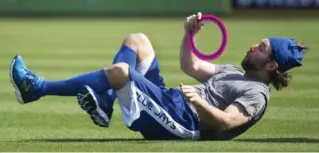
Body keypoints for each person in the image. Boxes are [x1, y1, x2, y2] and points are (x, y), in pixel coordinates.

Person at [9, 12, 308, 140]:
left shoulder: (258, 94)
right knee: (138, 40)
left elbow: (228, 121)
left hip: (182, 121)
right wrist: (188, 34)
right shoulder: (235, 71)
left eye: (262, 48)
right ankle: (106, 101)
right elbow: (191, 67)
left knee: (120, 72)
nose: (254, 45)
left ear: (271, 65)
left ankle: (36, 88)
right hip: (172, 101)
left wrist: (199, 103)